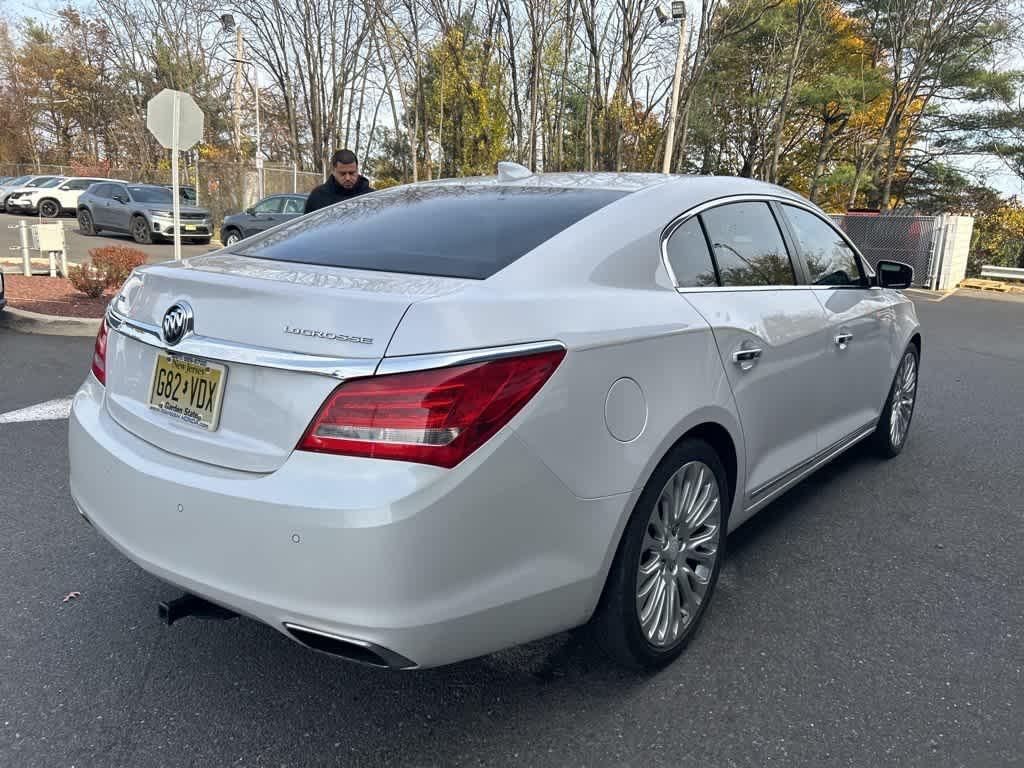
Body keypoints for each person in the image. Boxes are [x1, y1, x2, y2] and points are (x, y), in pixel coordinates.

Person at [303, 149, 373, 214]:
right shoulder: (318, 197)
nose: (347, 178)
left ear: (357, 170)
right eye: (342, 174)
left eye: (351, 173)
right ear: (333, 171)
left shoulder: (371, 197)